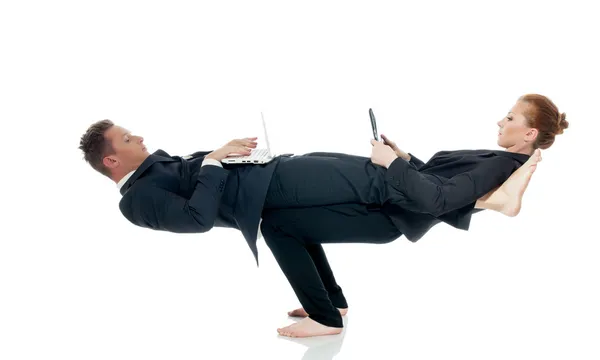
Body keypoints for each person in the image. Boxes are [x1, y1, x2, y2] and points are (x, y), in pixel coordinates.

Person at [78, 93, 568, 338]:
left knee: (361, 184)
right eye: (126, 140)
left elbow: (428, 188)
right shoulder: (135, 202)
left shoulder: (149, 169)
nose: (139, 137)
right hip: (271, 189)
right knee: (289, 224)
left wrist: (227, 156)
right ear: (112, 162)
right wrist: (211, 161)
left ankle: (328, 312)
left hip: (273, 177)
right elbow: (196, 218)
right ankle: (328, 310)